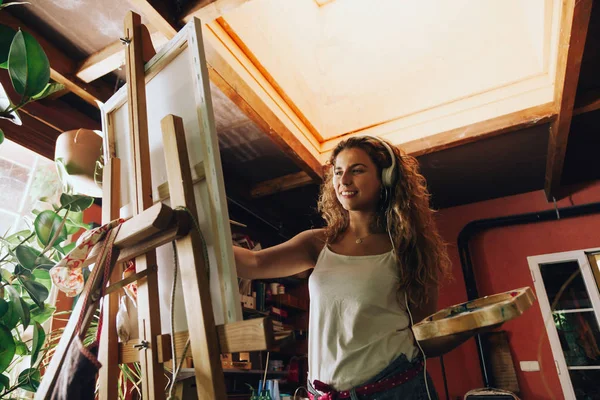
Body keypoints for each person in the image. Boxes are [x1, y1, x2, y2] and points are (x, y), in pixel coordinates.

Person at [234, 136, 468, 399]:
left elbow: (423, 337)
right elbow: (251, 264)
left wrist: (473, 325)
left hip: (394, 391)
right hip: (322, 393)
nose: (344, 180)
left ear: (386, 178)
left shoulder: (408, 250)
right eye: (338, 172)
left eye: (357, 170)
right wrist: (194, 227)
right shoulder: (317, 243)